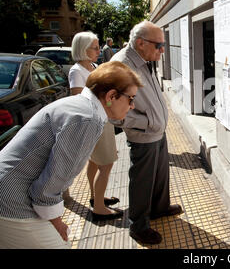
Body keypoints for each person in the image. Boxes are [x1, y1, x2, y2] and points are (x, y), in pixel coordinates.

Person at [0, 61, 143, 249]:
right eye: (130, 98)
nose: (132, 106)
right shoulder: (87, 119)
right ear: (111, 96)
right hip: (12, 201)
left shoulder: (81, 107)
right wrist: (57, 223)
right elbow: (50, 185)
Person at [111, 20, 182, 245]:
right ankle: (138, 226)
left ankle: (159, 208)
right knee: (142, 181)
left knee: (160, 174)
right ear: (141, 43)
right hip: (144, 134)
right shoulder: (121, 66)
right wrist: (147, 122)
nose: (163, 50)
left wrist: (156, 122)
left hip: (157, 131)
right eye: (159, 45)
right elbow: (113, 112)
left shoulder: (144, 58)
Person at [69, 32, 122, 221]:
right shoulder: (77, 71)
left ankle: (95, 197)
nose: (99, 50)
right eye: (95, 47)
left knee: (94, 161)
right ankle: (99, 208)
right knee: (106, 164)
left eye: (99, 46)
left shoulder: (93, 66)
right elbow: (78, 99)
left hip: (103, 119)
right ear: (83, 49)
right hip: (94, 122)